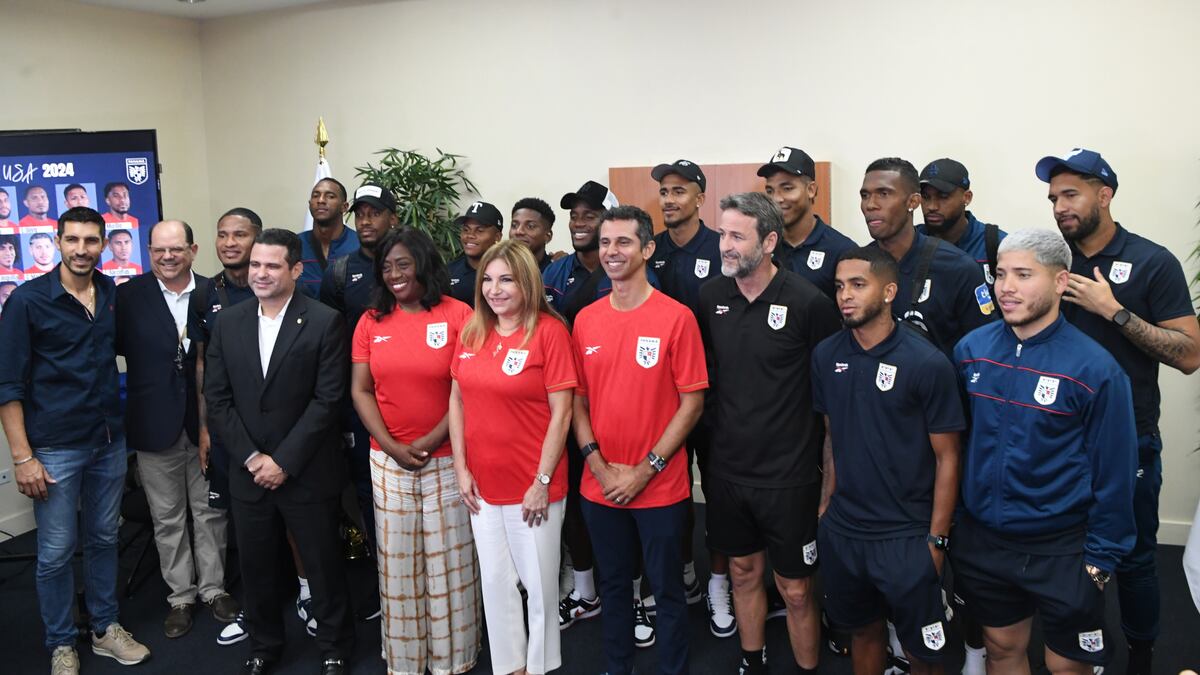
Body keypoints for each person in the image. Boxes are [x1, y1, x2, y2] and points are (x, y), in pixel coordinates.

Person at [1036, 148, 1200, 674]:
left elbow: (1190, 355)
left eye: (1071, 194)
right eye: (1053, 198)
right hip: (1057, 439)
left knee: (1133, 558)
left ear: (1104, 195)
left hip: (1128, 440)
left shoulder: (1152, 261)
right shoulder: (1050, 261)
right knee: (1061, 555)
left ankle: (1141, 658)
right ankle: (1076, 652)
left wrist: (1115, 311)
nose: (1060, 207)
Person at [953, 228, 1138, 673]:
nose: (1006, 287)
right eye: (1000, 274)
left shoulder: (1095, 368)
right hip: (985, 543)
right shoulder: (971, 351)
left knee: (1066, 665)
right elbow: (955, 446)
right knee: (1002, 649)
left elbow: (1115, 471)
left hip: (1063, 548)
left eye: (1023, 275)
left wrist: (1100, 560)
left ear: (1059, 281)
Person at [0, 206, 152, 675]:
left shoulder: (110, 293)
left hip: (107, 441)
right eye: (72, 240)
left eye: (90, 240)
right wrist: (22, 457)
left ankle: (105, 628)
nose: (81, 249)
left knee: (105, 538)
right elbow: (7, 385)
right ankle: (61, 642)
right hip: (54, 447)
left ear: (103, 243)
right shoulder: (27, 301)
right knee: (55, 552)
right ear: (57, 242)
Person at [698, 192, 841, 672]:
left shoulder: (809, 303)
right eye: (723, 234)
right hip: (729, 472)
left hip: (791, 477)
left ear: (769, 241)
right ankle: (751, 661)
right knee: (742, 572)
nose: (726, 245)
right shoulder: (710, 298)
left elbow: (831, 405)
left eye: (738, 236)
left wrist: (830, 480)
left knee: (796, 589)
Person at [203, 228, 354, 675]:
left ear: (296, 269)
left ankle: (335, 646)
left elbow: (328, 400)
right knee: (257, 568)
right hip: (248, 472)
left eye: (272, 265)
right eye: (255, 264)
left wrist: (283, 461)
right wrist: (253, 459)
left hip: (306, 471)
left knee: (323, 565)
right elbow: (217, 399)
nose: (261, 273)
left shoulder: (325, 320)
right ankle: (265, 645)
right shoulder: (229, 322)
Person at [812, 245, 964, 675]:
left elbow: (949, 457)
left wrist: (937, 541)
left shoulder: (927, 362)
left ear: (889, 291)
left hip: (906, 535)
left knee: (925, 655)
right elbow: (831, 435)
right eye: (839, 286)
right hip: (845, 532)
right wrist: (826, 508)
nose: (845, 295)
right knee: (863, 633)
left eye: (858, 285)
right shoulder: (826, 355)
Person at [572, 205, 707, 675]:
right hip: (600, 487)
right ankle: (618, 666)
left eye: (623, 242)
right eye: (605, 242)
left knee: (667, 591)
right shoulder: (585, 320)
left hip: (660, 487)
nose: (612, 251)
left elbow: (691, 404)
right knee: (613, 587)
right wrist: (598, 466)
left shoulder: (677, 318)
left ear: (647, 249)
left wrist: (645, 470)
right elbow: (577, 402)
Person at [350, 227, 481, 675]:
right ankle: (406, 662)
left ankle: (453, 660)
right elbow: (361, 389)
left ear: (424, 263)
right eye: (386, 267)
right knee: (398, 565)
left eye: (403, 264)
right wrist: (390, 446)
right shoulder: (371, 321)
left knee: (450, 563)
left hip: (449, 460)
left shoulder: (460, 314)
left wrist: (428, 441)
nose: (394, 275)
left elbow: (466, 390)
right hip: (387, 462)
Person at [449, 239, 577, 675]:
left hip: (532, 488)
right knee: (496, 584)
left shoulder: (550, 333)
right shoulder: (472, 331)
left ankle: (539, 667)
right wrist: (461, 468)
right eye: (487, 279)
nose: (494, 289)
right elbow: (457, 401)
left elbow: (562, 414)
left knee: (539, 589)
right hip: (482, 486)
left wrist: (542, 482)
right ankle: (510, 667)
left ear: (527, 283)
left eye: (506, 279)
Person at [115, 220, 238, 639]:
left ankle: (214, 589)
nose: (167, 257)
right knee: (167, 518)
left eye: (176, 249)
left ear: (193, 250)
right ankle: (180, 597)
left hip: (206, 423)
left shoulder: (213, 292)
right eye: (159, 250)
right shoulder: (128, 297)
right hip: (153, 424)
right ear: (149, 252)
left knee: (210, 512)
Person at [646, 159, 726, 631]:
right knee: (671, 495)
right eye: (664, 192)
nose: (670, 199)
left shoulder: (720, 248)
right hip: (660, 399)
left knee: (715, 492)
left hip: (712, 394)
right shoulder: (649, 249)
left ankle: (719, 585)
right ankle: (685, 573)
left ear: (700, 198)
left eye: (679, 191)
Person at [192, 207, 263, 647]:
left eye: (240, 234)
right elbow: (201, 364)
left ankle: (303, 594)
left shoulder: (271, 284)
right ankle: (255, 605)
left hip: (273, 426)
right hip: (226, 426)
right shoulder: (205, 294)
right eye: (223, 235)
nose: (230, 243)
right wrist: (204, 429)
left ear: (257, 239)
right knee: (241, 518)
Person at [320, 181, 399, 564]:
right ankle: (380, 566)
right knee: (366, 486)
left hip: (406, 396)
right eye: (361, 214)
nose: (366, 221)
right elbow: (329, 342)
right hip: (358, 399)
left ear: (393, 219)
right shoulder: (339, 271)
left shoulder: (412, 265)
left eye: (375, 214)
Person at [860, 157, 995, 358]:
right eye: (865, 195)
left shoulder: (958, 266)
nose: (871, 205)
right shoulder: (858, 266)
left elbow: (985, 347)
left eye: (884, 194)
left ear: (913, 201)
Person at [759, 146, 857, 301]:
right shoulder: (762, 245)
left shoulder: (841, 250)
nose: (776, 198)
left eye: (787, 188)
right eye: (770, 191)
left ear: (811, 190)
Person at [917, 158, 1006, 285]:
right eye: (925, 197)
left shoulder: (996, 244)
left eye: (943, 196)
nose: (932, 206)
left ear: (967, 197)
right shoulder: (911, 242)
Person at [542, 180, 622, 319]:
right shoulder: (554, 273)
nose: (578, 223)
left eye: (589, 217)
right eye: (573, 217)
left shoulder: (630, 271)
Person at [299, 177, 356, 298]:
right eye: (315, 196)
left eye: (330, 196)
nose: (321, 200)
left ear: (344, 207)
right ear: (310, 204)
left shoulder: (359, 244)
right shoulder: (295, 245)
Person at [447, 200, 504, 306]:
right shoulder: (448, 272)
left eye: (480, 230)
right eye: (466, 229)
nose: (470, 235)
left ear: (497, 237)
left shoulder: (510, 271)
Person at [510, 197, 556, 271]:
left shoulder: (557, 271)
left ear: (548, 236)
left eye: (530, 226)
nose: (519, 231)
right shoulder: (498, 266)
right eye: (514, 225)